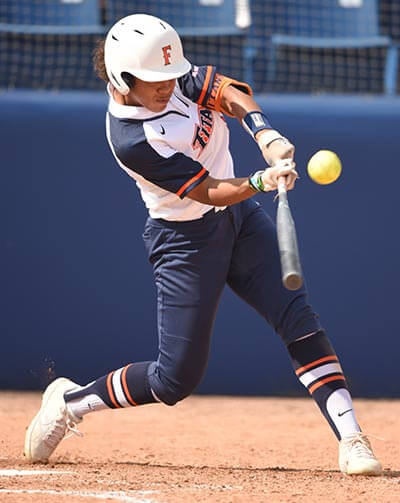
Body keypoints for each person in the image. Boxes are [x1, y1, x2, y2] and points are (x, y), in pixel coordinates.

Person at [24, 13, 382, 476]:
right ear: (121, 79)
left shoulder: (175, 79)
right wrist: (261, 178)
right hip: (185, 241)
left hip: (240, 220)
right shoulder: (132, 138)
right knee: (175, 380)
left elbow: (231, 92)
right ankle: (70, 402)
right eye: (154, 80)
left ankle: (351, 437)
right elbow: (207, 190)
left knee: (298, 316)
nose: (168, 86)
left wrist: (264, 132)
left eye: (171, 75)